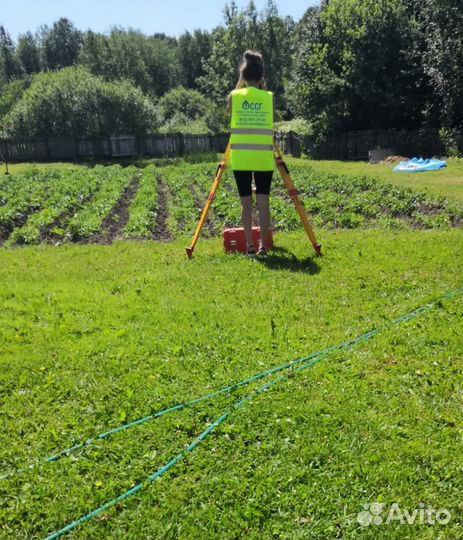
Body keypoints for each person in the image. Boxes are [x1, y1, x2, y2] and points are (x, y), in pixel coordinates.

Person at [227, 50, 275, 258]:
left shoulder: (234, 96)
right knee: (263, 204)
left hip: (241, 158)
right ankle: (263, 247)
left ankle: (249, 247)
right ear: (261, 75)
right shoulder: (269, 98)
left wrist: (240, 82)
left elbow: (229, 108)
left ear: (244, 75)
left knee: (246, 204)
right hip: (263, 158)